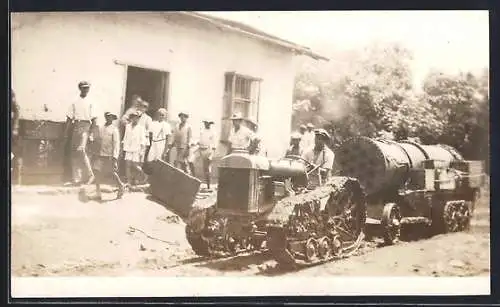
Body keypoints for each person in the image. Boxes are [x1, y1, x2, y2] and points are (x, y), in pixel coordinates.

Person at [65, 81, 97, 186]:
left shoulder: (91, 102)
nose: (86, 90)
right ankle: (77, 179)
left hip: (86, 126)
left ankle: (90, 175)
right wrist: (66, 132)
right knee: (75, 153)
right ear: (80, 89)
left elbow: (94, 120)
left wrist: (91, 133)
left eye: (87, 88)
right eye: (84, 88)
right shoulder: (74, 101)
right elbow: (69, 118)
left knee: (81, 150)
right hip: (76, 126)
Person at [92, 112, 125, 201]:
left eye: (110, 117)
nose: (108, 118)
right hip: (100, 153)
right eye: (107, 116)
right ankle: (98, 192)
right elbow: (98, 139)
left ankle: (121, 186)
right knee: (96, 170)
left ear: (112, 118)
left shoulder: (114, 130)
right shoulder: (102, 128)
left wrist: (115, 157)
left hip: (109, 155)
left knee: (112, 172)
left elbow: (116, 144)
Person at [122, 111, 148, 188]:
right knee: (127, 165)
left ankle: (144, 175)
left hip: (137, 149)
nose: (135, 119)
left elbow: (143, 140)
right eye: (133, 117)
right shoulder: (128, 126)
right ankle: (128, 181)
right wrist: (123, 148)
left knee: (135, 166)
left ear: (139, 119)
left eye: (137, 117)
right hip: (128, 148)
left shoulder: (141, 128)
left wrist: (141, 151)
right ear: (131, 118)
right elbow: (125, 137)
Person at [196, 119, 216, 190]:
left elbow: (214, 146)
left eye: (208, 123)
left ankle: (208, 186)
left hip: (207, 150)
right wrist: (196, 142)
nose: (206, 124)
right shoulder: (202, 130)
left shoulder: (212, 132)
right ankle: (194, 181)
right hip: (200, 149)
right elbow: (199, 139)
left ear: (210, 124)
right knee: (190, 161)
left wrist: (211, 155)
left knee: (206, 169)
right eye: (205, 123)